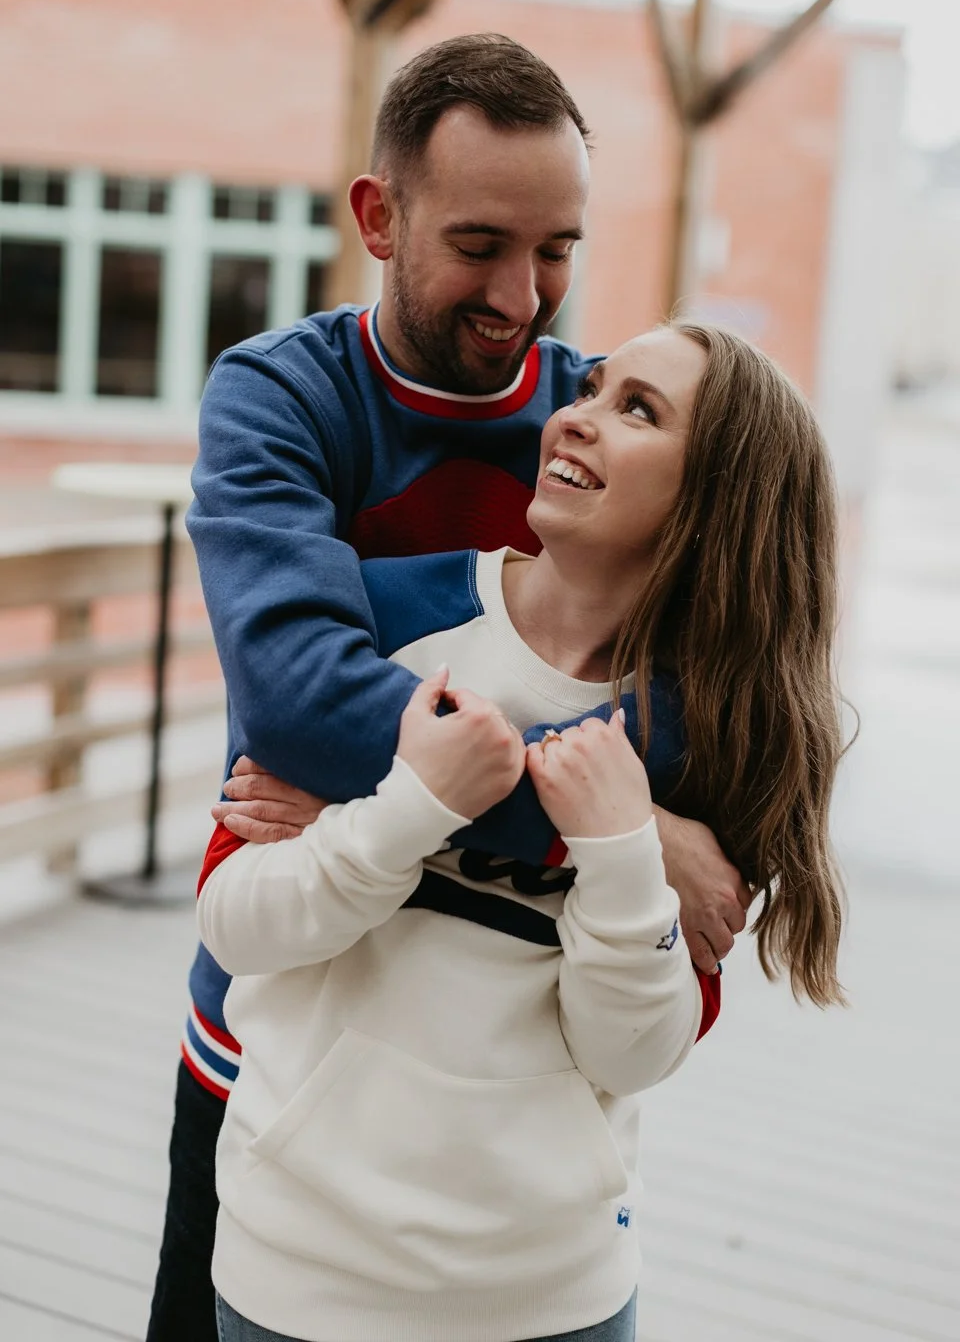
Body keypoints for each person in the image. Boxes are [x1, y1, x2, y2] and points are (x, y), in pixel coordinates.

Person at [146, 34, 749, 1342]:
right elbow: (299, 703)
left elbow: (708, 706)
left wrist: (402, 800)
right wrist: (619, 830)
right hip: (278, 1040)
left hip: (514, 1134)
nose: (523, 298)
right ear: (379, 218)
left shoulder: (596, 427)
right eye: (480, 245)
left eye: (558, 250)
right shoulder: (282, 396)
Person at [197, 322, 847, 1342]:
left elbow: (633, 1051)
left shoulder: (715, 735)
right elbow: (238, 927)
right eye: (591, 391)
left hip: (556, 1296)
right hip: (298, 1272)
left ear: (719, 496)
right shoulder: (377, 626)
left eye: (638, 411)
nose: (575, 417)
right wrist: (414, 809)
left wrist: (623, 851)